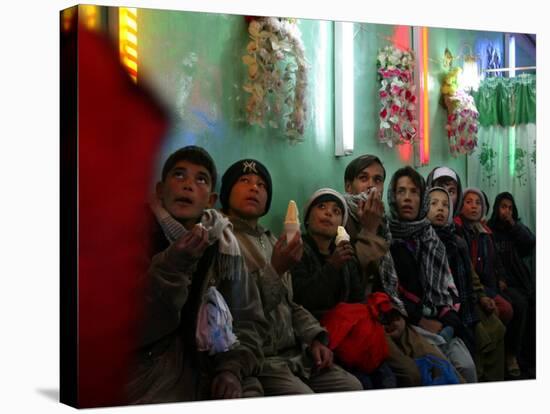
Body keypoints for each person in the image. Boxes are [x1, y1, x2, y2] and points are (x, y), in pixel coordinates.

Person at [127, 146, 268, 403]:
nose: (188, 185)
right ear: (160, 190)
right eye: (179, 175)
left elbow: (248, 320)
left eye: (200, 179)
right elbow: (130, 328)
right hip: (153, 376)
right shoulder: (131, 237)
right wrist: (173, 267)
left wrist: (231, 370)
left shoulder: (222, 243)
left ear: (211, 200)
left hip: (214, 368)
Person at [220, 159, 362, 395]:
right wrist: (275, 270)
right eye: (244, 181)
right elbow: (236, 312)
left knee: (353, 387)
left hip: (295, 352)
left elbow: (290, 302)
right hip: (259, 356)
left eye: (262, 185)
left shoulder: (273, 240)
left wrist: (315, 337)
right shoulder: (223, 240)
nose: (254, 188)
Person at [290, 188, 397, 389]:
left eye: (336, 211)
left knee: (387, 376)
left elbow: (357, 301)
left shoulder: (346, 256)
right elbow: (301, 298)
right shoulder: (298, 250)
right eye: (321, 207)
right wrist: (332, 266)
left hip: (349, 334)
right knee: (362, 383)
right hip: (317, 336)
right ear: (307, 219)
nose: (329, 213)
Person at [455, 187, 521, 378]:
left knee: (513, 307)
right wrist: (482, 294)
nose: (473, 206)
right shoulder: (458, 230)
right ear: (460, 206)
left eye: (478, 203)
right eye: (468, 202)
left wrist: (500, 279)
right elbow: (467, 271)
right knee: (502, 311)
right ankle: (485, 367)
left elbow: (494, 260)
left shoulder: (484, 231)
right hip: (470, 289)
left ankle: (502, 361)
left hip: (486, 285)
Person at [488, 192, 536, 377]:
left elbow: (530, 242)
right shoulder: (489, 230)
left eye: (509, 207)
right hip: (500, 284)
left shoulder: (515, 228)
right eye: (503, 207)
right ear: (496, 208)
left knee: (530, 304)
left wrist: (513, 224)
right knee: (519, 305)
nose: (506, 211)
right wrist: (499, 278)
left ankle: (527, 356)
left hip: (519, 283)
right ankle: (511, 356)